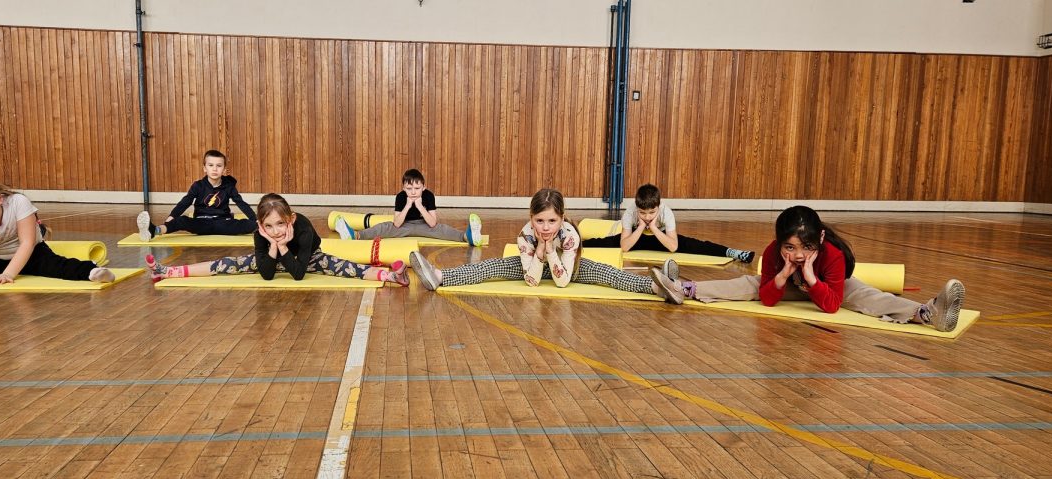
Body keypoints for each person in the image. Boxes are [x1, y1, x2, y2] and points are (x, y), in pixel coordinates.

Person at [655, 205, 966, 332]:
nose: (799, 255)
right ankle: (683, 288)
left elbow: (831, 306)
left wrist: (810, 277)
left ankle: (927, 313)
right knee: (748, 284)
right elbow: (768, 300)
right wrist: (782, 275)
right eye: (790, 248)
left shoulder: (832, 256)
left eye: (806, 248)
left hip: (826, 290)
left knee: (867, 294)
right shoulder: (774, 253)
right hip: (790, 287)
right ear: (779, 243)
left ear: (820, 239)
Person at [408, 188, 678, 298]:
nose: (545, 227)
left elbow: (562, 282)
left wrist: (551, 252)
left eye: (551, 221)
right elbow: (532, 281)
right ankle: (439, 276)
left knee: (608, 273)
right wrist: (540, 250)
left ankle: (658, 286)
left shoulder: (570, 235)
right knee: (490, 267)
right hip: (534, 264)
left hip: (569, 269)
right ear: (531, 219)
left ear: (561, 218)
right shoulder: (526, 235)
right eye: (539, 221)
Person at [147, 193, 408, 286]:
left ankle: (393, 276)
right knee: (227, 264)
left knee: (345, 267)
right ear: (261, 225)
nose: (275, 230)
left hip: (309, 258)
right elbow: (267, 275)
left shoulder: (303, 228)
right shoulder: (263, 234)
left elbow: (298, 274)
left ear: (291, 219)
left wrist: (282, 246)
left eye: (280, 224)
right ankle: (168, 271)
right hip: (273, 257)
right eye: (268, 226)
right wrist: (273, 246)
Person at [582, 183, 755, 262]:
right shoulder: (630, 212)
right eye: (643, 213)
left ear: (658, 207)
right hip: (637, 238)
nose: (647, 216)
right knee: (605, 242)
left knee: (694, 245)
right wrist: (641, 226)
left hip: (661, 238)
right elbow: (625, 247)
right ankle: (574, 245)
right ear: (637, 208)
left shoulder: (667, 212)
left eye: (652, 212)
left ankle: (733, 252)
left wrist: (654, 228)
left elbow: (673, 247)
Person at [334, 168, 483, 246]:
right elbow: (397, 223)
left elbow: (432, 223)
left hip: (424, 225)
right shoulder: (400, 197)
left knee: (442, 229)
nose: (413, 192)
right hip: (403, 226)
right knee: (384, 227)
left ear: (423, 187)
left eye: (417, 188)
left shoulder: (429, 196)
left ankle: (468, 237)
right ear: (403, 188)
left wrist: (420, 206)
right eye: (409, 189)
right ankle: (355, 235)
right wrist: (407, 205)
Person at [136, 149, 256, 240]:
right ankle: (154, 230)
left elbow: (241, 203)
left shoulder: (228, 186)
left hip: (223, 223)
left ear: (224, 170)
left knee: (245, 224)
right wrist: (172, 216)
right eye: (211, 165)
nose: (215, 169)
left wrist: (254, 219)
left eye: (219, 166)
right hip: (201, 222)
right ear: (204, 168)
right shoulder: (198, 186)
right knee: (182, 220)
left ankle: (262, 228)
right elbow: (185, 202)